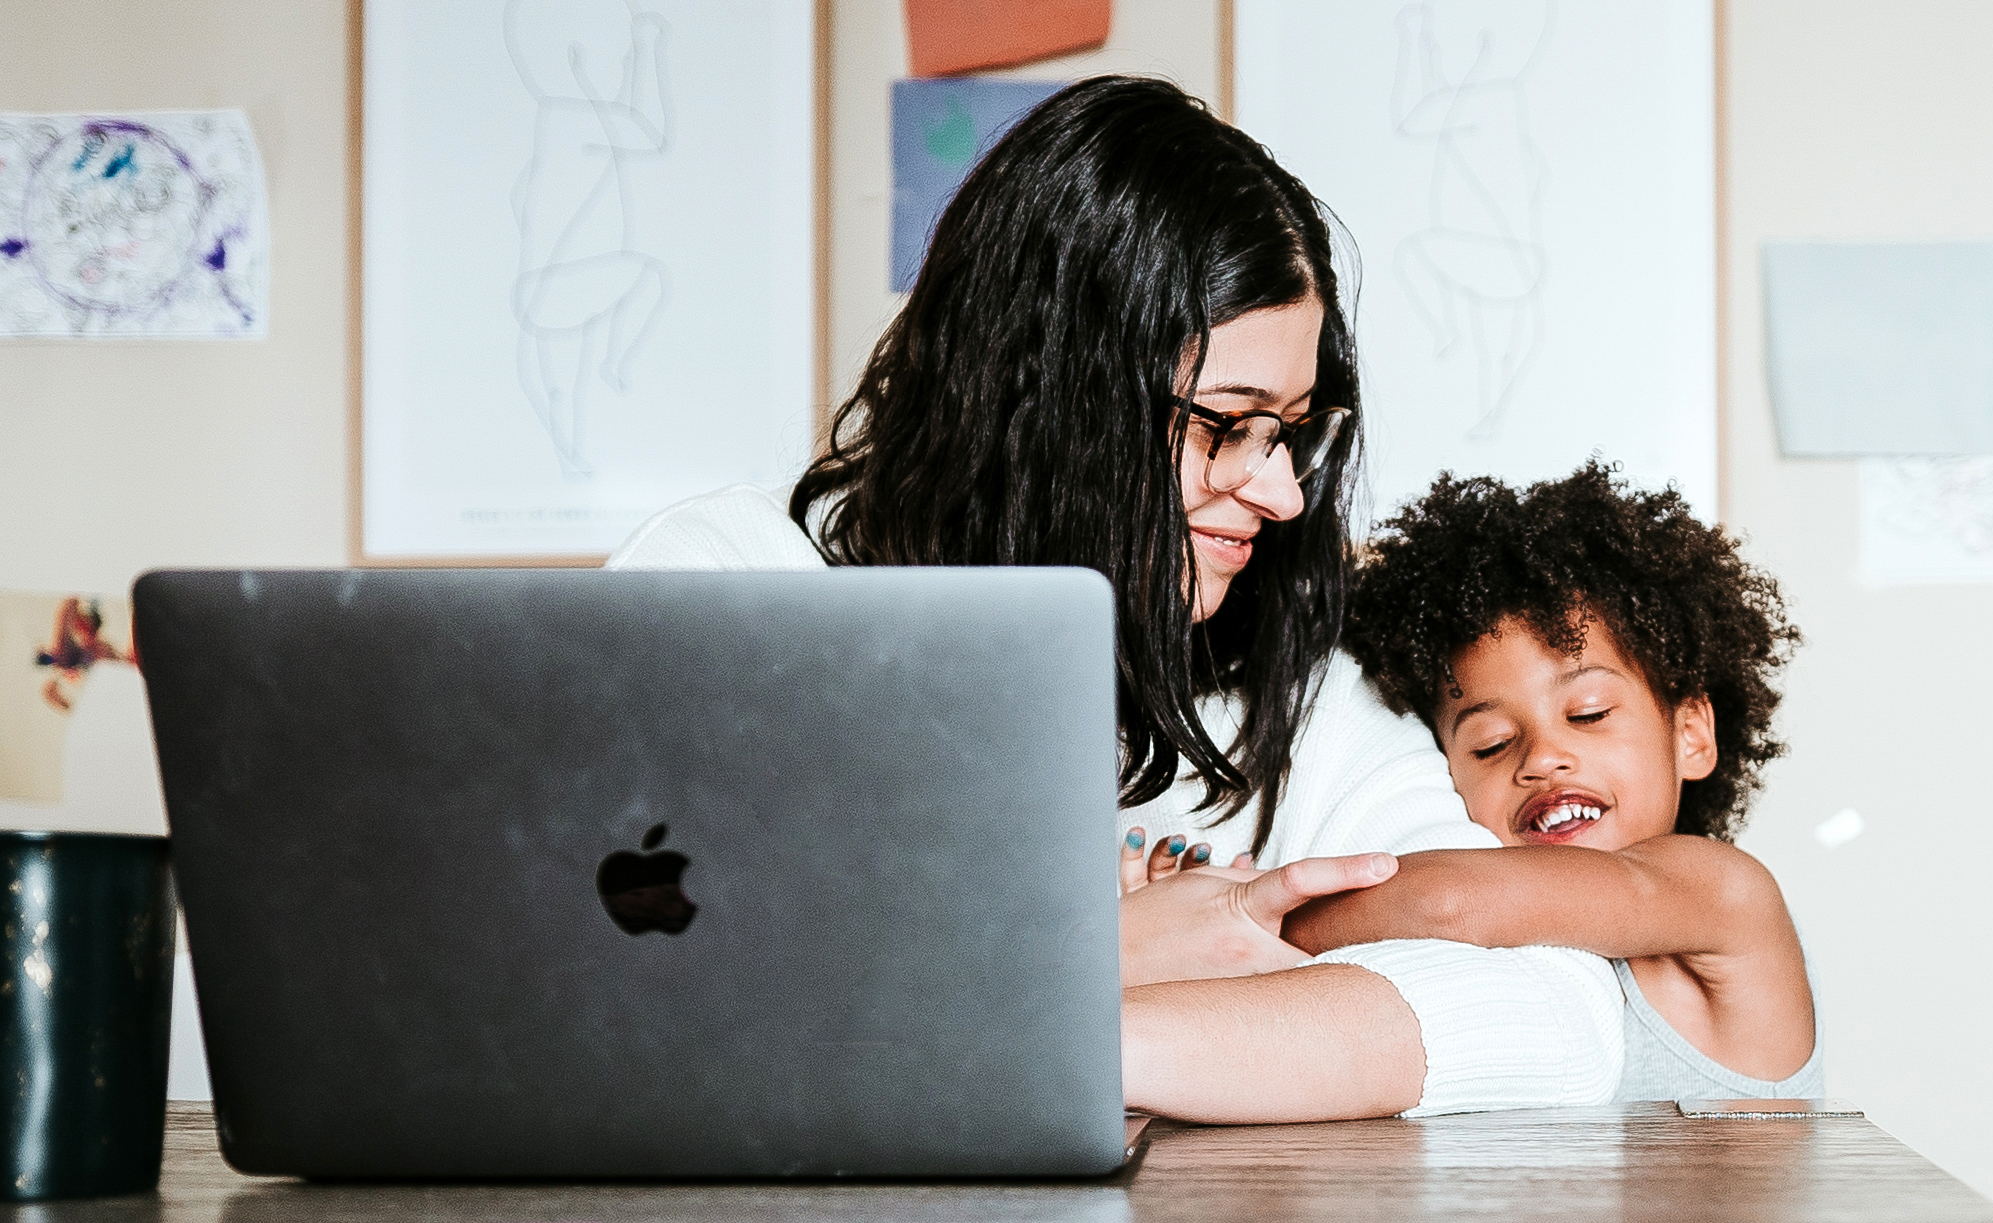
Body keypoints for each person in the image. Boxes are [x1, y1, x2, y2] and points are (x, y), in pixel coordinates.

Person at [606, 76, 1625, 1122]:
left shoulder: (1290, 688)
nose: (1278, 494)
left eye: (1292, 431)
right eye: (1225, 423)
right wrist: (1095, 959)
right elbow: (605, 1003)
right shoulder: (724, 586)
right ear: (1048, 400)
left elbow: (1556, 1019)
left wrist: (1065, 1013)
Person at [1128, 461, 1817, 1110]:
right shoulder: (1512, 963)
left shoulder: (1723, 893)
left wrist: (1225, 927)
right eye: (1491, 744)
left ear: (1692, 733)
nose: (1544, 757)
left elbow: (1450, 900)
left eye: (1589, 714)